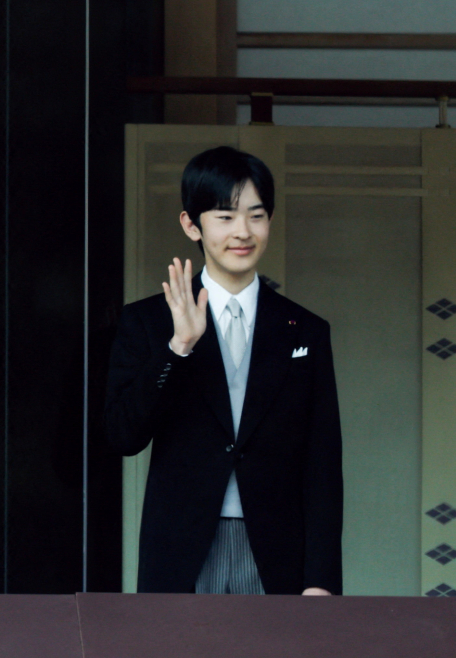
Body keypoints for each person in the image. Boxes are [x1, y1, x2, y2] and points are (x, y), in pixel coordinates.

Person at [106, 146, 342, 595]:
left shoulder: (307, 330)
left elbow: (323, 462)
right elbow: (122, 435)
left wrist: (322, 579)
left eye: (256, 216)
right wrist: (179, 348)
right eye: (225, 217)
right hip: (183, 544)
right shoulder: (150, 323)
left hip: (276, 548)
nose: (243, 232)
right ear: (191, 225)